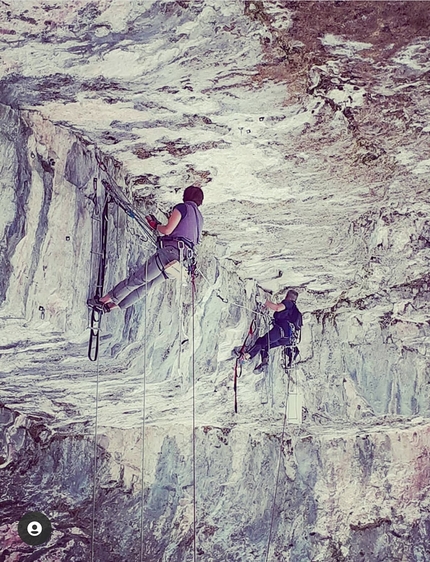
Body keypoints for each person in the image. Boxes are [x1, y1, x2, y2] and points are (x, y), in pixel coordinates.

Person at [88, 185, 204, 311]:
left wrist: (156, 226)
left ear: (186, 196)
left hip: (171, 254)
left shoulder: (183, 208)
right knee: (147, 286)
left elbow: (167, 230)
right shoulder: (200, 218)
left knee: (138, 279)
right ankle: (111, 307)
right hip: (181, 262)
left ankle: (102, 301)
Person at [240, 289, 302, 372]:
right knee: (266, 346)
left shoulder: (289, 303)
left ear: (287, 296)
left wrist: (264, 301)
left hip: (281, 330)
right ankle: (264, 362)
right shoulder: (297, 312)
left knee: (262, 341)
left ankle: (246, 357)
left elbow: (277, 308)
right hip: (287, 339)